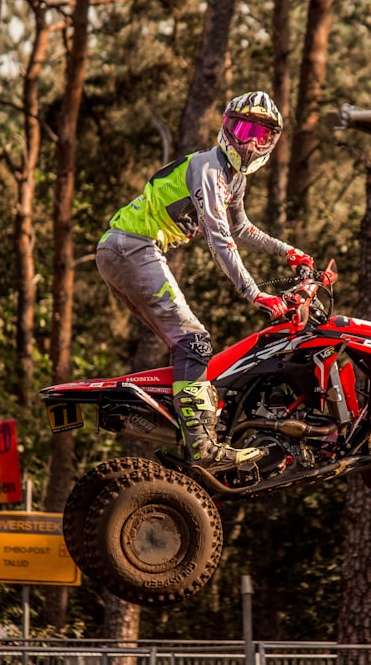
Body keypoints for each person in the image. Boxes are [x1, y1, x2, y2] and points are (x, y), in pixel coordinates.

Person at [96, 91, 314, 471]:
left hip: (123, 249)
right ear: (227, 127)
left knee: (183, 346)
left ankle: (184, 426)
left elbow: (241, 228)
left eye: (260, 135)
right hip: (132, 247)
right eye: (243, 129)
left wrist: (288, 252)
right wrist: (255, 294)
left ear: (271, 141)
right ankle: (202, 446)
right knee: (193, 340)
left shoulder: (232, 177)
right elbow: (219, 238)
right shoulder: (209, 169)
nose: (248, 141)